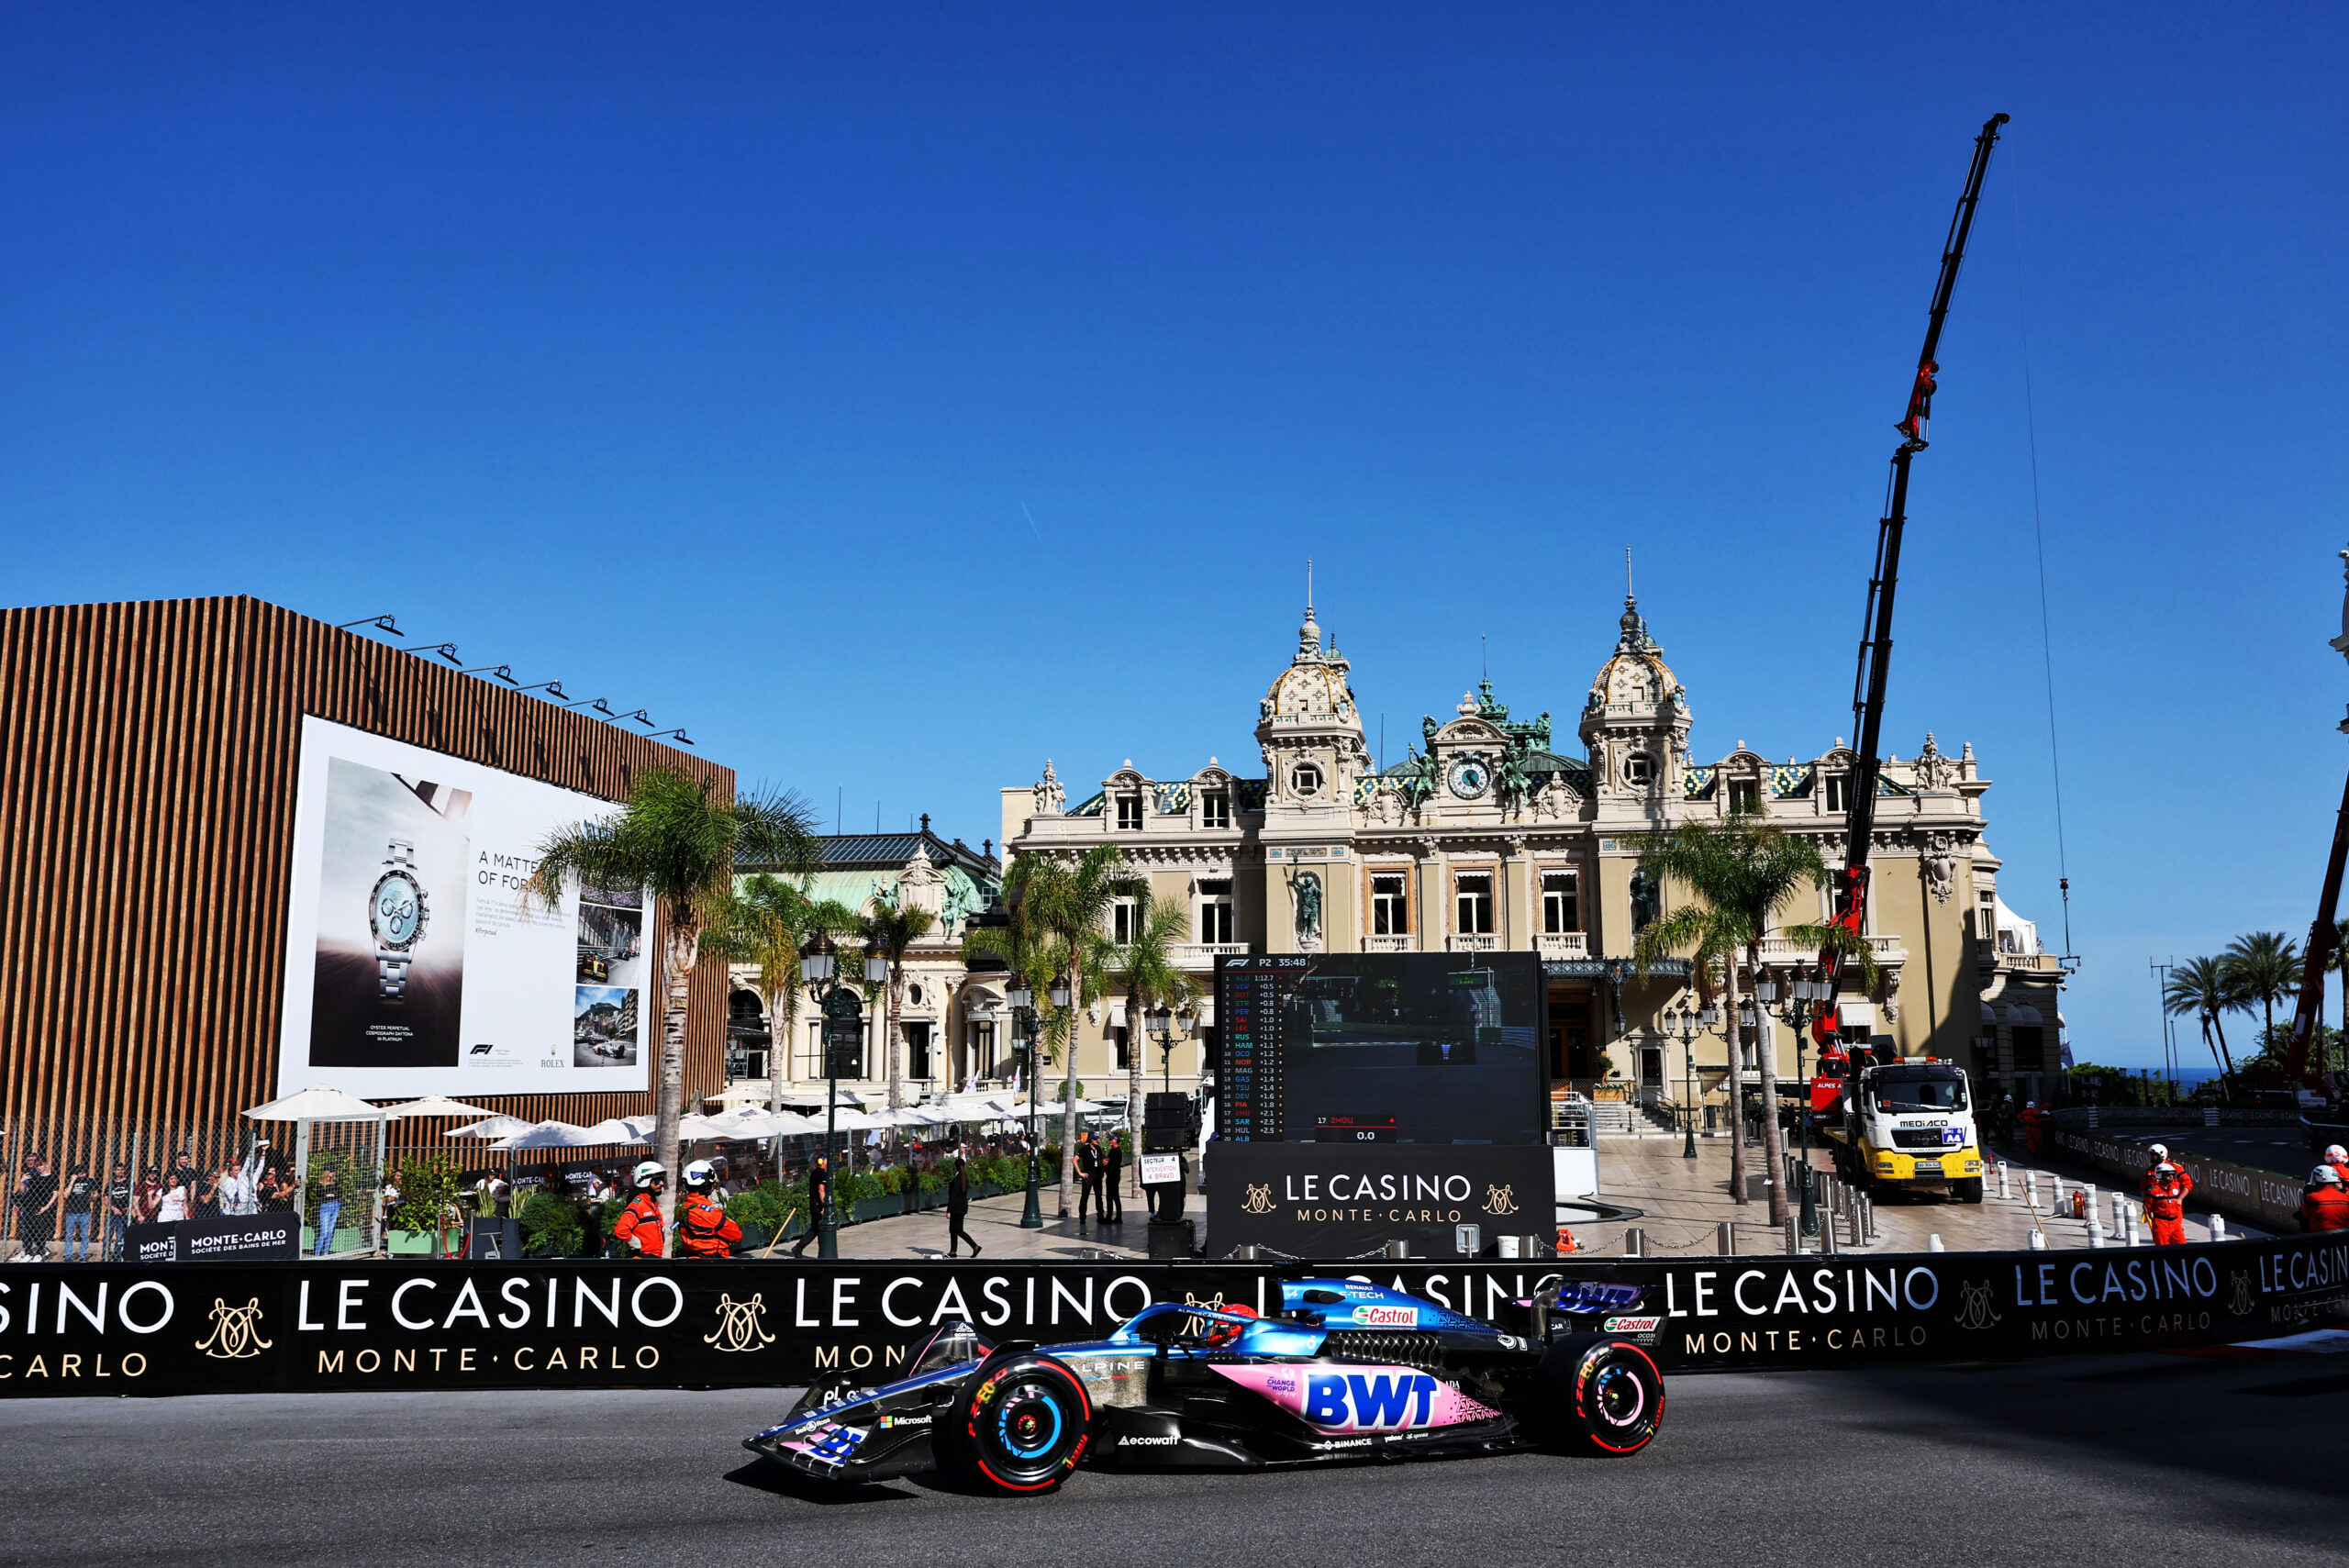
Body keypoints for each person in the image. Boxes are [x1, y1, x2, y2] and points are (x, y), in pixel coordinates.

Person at [675, 1162, 741, 1259]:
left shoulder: (684, 1209)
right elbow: (736, 1234)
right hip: (714, 1262)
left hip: (691, 1259)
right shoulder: (711, 1214)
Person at [612, 1162, 668, 1259]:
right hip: (643, 1259)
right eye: (657, 1180)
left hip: (654, 1256)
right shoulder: (638, 1205)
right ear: (644, 1181)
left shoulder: (652, 1203)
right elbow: (621, 1230)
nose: (662, 1183)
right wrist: (635, 1243)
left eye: (662, 1179)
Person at [2141, 1144, 2193, 1246]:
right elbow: (2143, 1188)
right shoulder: (2149, 1171)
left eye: (2154, 1155)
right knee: (2162, 1243)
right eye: (2151, 1155)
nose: (2152, 1157)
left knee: (2180, 1241)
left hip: (2174, 1210)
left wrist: (2180, 1199)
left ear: (2162, 1155)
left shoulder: (2175, 1168)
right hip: (2159, 1215)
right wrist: (2146, 1203)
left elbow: (2188, 1184)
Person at [12, 1156, 58, 1262]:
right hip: (30, 1205)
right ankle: (28, 1252)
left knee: (40, 1230)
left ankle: (40, 1252)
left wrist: (46, 1207)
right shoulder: (34, 1177)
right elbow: (23, 1192)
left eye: (41, 1165)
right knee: (27, 1230)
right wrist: (22, 1182)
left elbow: (55, 1194)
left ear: (46, 1164)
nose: (39, 1168)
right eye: (37, 1166)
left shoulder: (53, 1177)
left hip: (43, 1206)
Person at [789, 1156, 829, 1258]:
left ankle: (799, 1248)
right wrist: (824, 1206)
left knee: (816, 1228)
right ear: (822, 1162)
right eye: (826, 1159)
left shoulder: (816, 1172)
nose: (828, 1160)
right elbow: (821, 1190)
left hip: (814, 1203)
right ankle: (823, 1253)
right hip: (818, 1205)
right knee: (820, 1228)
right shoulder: (821, 1173)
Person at [61, 1162, 96, 1262]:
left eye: (84, 1172)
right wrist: (72, 1181)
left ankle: (82, 1256)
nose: (82, 1174)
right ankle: (68, 1256)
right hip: (71, 1212)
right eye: (79, 1172)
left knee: (84, 1235)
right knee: (69, 1235)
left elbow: (96, 1193)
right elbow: (65, 1195)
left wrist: (92, 1198)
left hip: (84, 1212)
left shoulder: (90, 1181)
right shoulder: (71, 1181)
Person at [946, 1154, 980, 1257]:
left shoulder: (957, 1180)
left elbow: (953, 1196)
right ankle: (953, 1251)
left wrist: (949, 1210)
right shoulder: (964, 1178)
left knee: (958, 1230)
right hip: (961, 1207)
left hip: (956, 1208)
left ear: (955, 1167)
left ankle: (975, 1246)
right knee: (953, 1229)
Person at [2301, 1165, 2349, 1233]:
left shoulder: (2313, 1197)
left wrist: (2306, 1196)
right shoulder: (2346, 1197)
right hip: (2343, 1236)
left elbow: (2304, 1213)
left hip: (2320, 1237)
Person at [311, 1164, 341, 1257]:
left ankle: (326, 1253)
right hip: (325, 1208)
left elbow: (339, 1193)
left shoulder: (334, 1183)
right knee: (324, 1232)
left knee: (330, 1231)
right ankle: (317, 1254)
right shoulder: (320, 1184)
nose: (334, 1173)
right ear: (327, 1172)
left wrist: (330, 1195)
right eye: (332, 1171)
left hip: (335, 1206)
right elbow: (320, 1194)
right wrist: (329, 1194)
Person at [104, 1162, 131, 1260]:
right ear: (114, 1171)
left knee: (120, 1236)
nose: (120, 1171)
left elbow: (133, 1197)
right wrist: (114, 1209)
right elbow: (106, 1199)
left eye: (122, 1169)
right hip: (111, 1213)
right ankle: (105, 1255)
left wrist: (129, 1207)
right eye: (118, 1169)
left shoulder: (129, 1182)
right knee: (107, 1236)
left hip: (124, 1213)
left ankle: (116, 1255)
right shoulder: (110, 1184)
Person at [1076, 1133, 1103, 1226]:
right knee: (1085, 1196)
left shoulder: (1098, 1149)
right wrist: (1080, 1173)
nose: (1097, 1140)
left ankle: (1100, 1216)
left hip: (1098, 1175)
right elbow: (1074, 1160)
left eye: (1097, 1139)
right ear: (1090, 1139)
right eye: (1095, 1139)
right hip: (1088, 1175)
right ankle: (1082, 1217)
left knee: (1099, 1196)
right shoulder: (1085, 1149)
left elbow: (1101, 1160)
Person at [1102, 1131, 1126, 1224]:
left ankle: (1110, 1217)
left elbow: (1113, 1164)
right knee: (1113, 1196)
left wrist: (1106, 1164)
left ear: (1115, 1140)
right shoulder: (1113, 1150)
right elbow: (1109, 1159)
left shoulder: (1117, 1151)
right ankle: (1117, 1217)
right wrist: (1106, 1161)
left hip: (1113, 1176)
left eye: (1111, 1139)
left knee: (1112, 1196)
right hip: (1111, 1175)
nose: (1109, 1141)